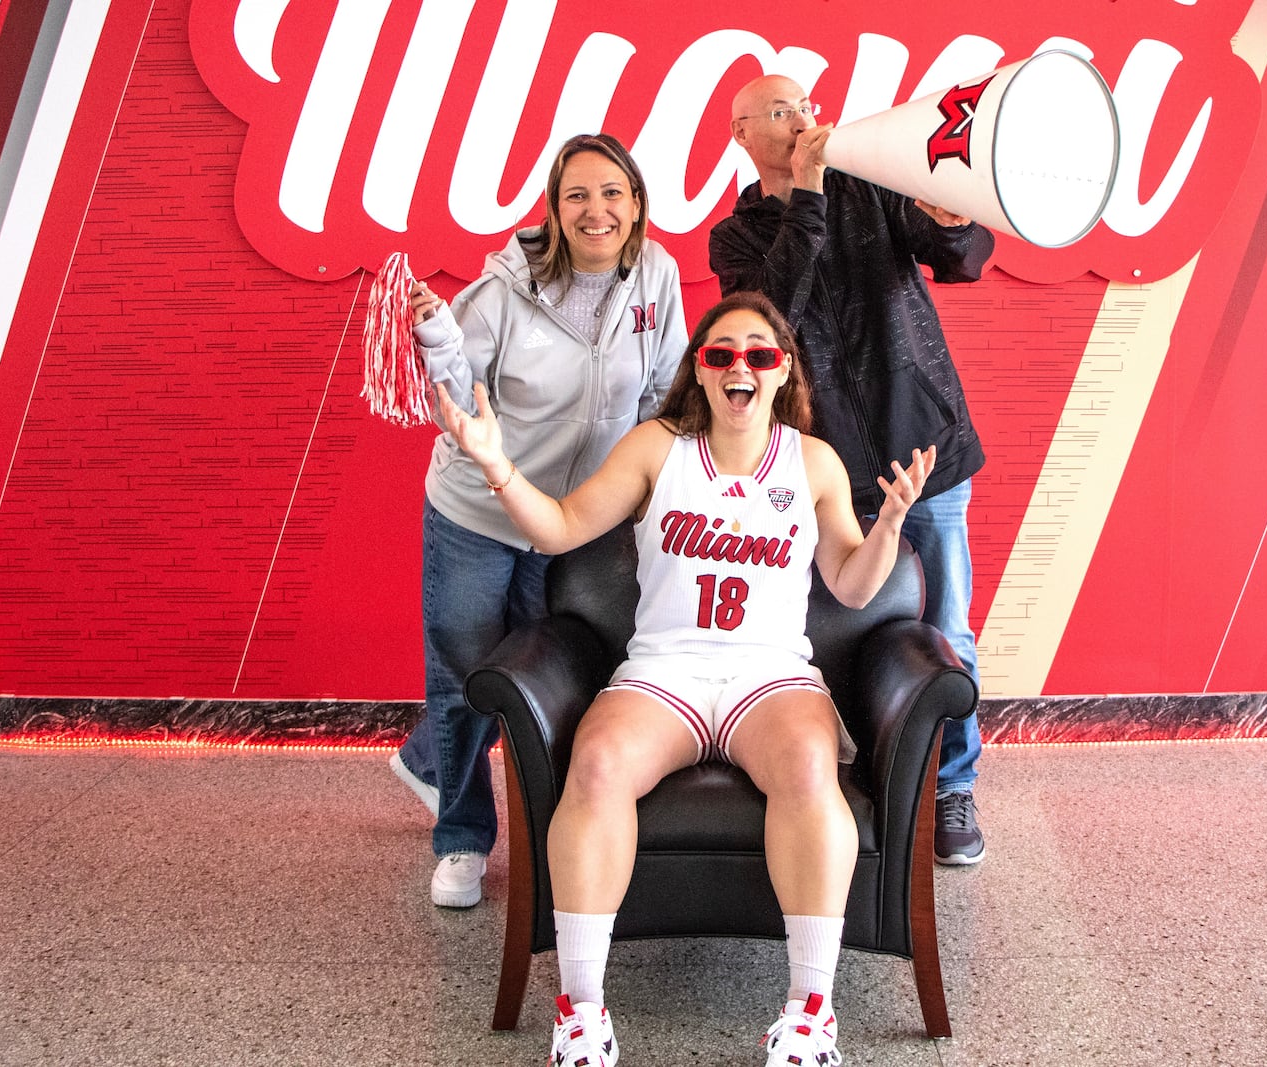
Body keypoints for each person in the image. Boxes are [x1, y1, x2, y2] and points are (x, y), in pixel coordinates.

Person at [434, 291, 934, 1067]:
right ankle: (581, 1011)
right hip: (665, 671)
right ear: (698, 370)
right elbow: (562, 525)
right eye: (722, 353)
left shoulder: (812, 462)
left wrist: (889, 526)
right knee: (596, 765)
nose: (741, 365)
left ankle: (809, 1013)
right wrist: (495, 464)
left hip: (769, 676)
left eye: (759, 355)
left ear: (782, 372)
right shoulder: (657, 448)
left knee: (810, 767)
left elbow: (853, 584)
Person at [393, 133, 686, 910]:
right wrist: (437, 341)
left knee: (554, 675)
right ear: (555, 210)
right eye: (578, 195)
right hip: (479, 511)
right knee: (467, 675)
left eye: (612, 193)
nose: (597, 210)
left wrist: (656, 489)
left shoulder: (657, 276)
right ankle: (460, 838)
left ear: (636, 204)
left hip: (579, 519)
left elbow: (663, 390)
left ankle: (442, 764)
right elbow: (458, 392)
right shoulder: (502, 291)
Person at [710, 74, 994, 865]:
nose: (802, 119)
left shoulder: (870, 186)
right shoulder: (734, 238)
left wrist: (955, 217)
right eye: (779, 111)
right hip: (824, 473)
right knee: (828, 631)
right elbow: (768, 321)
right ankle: (846, 781)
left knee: (949, 632)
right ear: (742, 136)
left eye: (804, 104)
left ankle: (952, 787)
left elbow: (959, 255)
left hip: (926, 451)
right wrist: (807, 197)